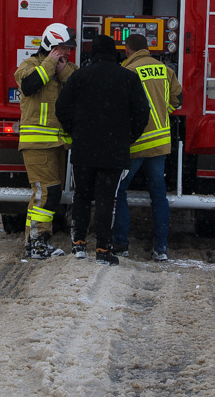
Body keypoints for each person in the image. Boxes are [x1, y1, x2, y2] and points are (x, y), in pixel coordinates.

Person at [55, 35, 149, 266]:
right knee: (107, 199)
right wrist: (127, 137)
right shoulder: (128, 78)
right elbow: (141, 114)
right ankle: (103, 248)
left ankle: (78, 244)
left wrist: (74, 130)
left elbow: (61, 107)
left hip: (84, 149)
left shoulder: (79, 77)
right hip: (114, 151)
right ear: (114, 53)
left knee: (82, 196)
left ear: (92, 54)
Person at [112, 34, 183, 261]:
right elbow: (178, 98)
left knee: (120, 190)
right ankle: (161, 248)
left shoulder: (128, 71)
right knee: (159, 196)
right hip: (160, 143)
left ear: (127, 49)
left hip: (137, 143)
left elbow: (121, 106)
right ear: (148, 48)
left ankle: (121, 244)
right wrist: (163, 114)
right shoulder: (164, 69)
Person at [15, 23, 78, 259]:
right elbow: (30, 86)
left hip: (58, 145)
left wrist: (63, 71)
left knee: (47, 194)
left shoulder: (68, 69)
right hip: (37, 144)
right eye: (63, 48)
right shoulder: (30, 66)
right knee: (47, 193)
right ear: (51, 46)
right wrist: (50, 65)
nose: (68, 53)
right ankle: (39, 242)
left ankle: (34, 242)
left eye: (70, 49)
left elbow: (80, 88)